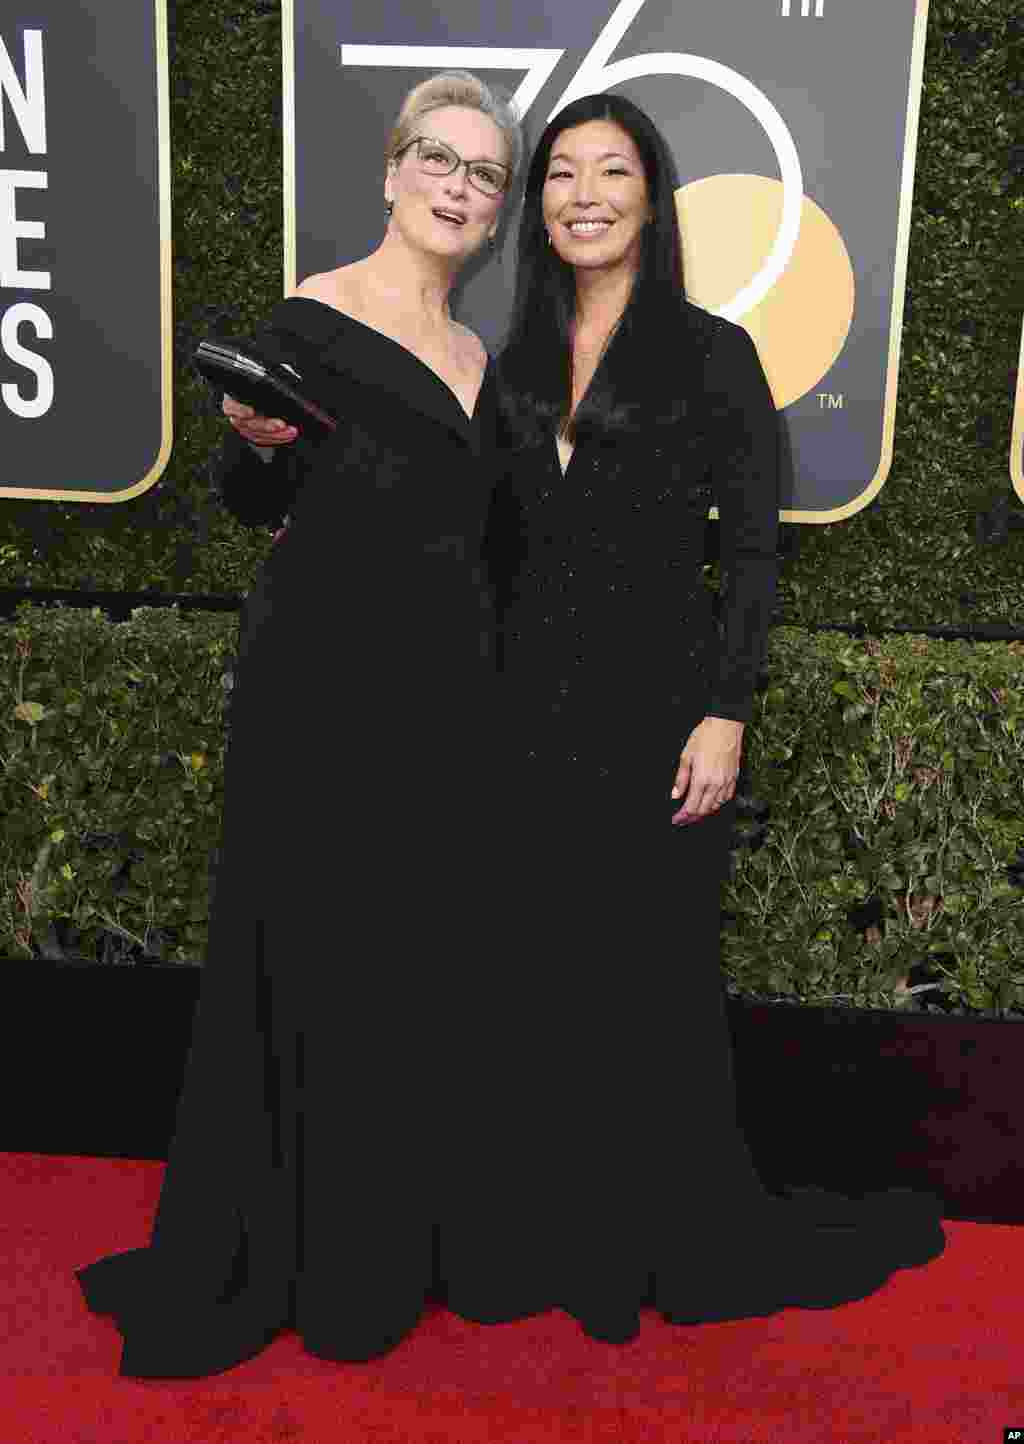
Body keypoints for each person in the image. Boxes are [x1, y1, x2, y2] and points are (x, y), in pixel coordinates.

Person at [74, 70, 528, 1378]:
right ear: (390, 172)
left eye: (484, 173)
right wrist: (255, 440)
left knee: (402, 964)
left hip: (446, 694)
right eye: (437, 157)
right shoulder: (312, 319)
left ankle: (373, 1244)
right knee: (309, 948)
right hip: (326, 679)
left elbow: (485, 539)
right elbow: (247, 491)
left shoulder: (477, 356)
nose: (457, 186)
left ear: (497, 210)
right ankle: (284, 1249)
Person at [476, 91, 947, 1346]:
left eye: (609, 172)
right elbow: (477, 545)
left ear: (650, 198)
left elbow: (748, 553)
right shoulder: (511, 358)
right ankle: (546, 1231)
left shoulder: (709, 352)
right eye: (560, 172)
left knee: (647, 984)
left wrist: (724, 711)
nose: (581, 194)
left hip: (657, 713)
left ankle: (649, 1238)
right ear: (537, 204)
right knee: (537, 981)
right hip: (525, 713)